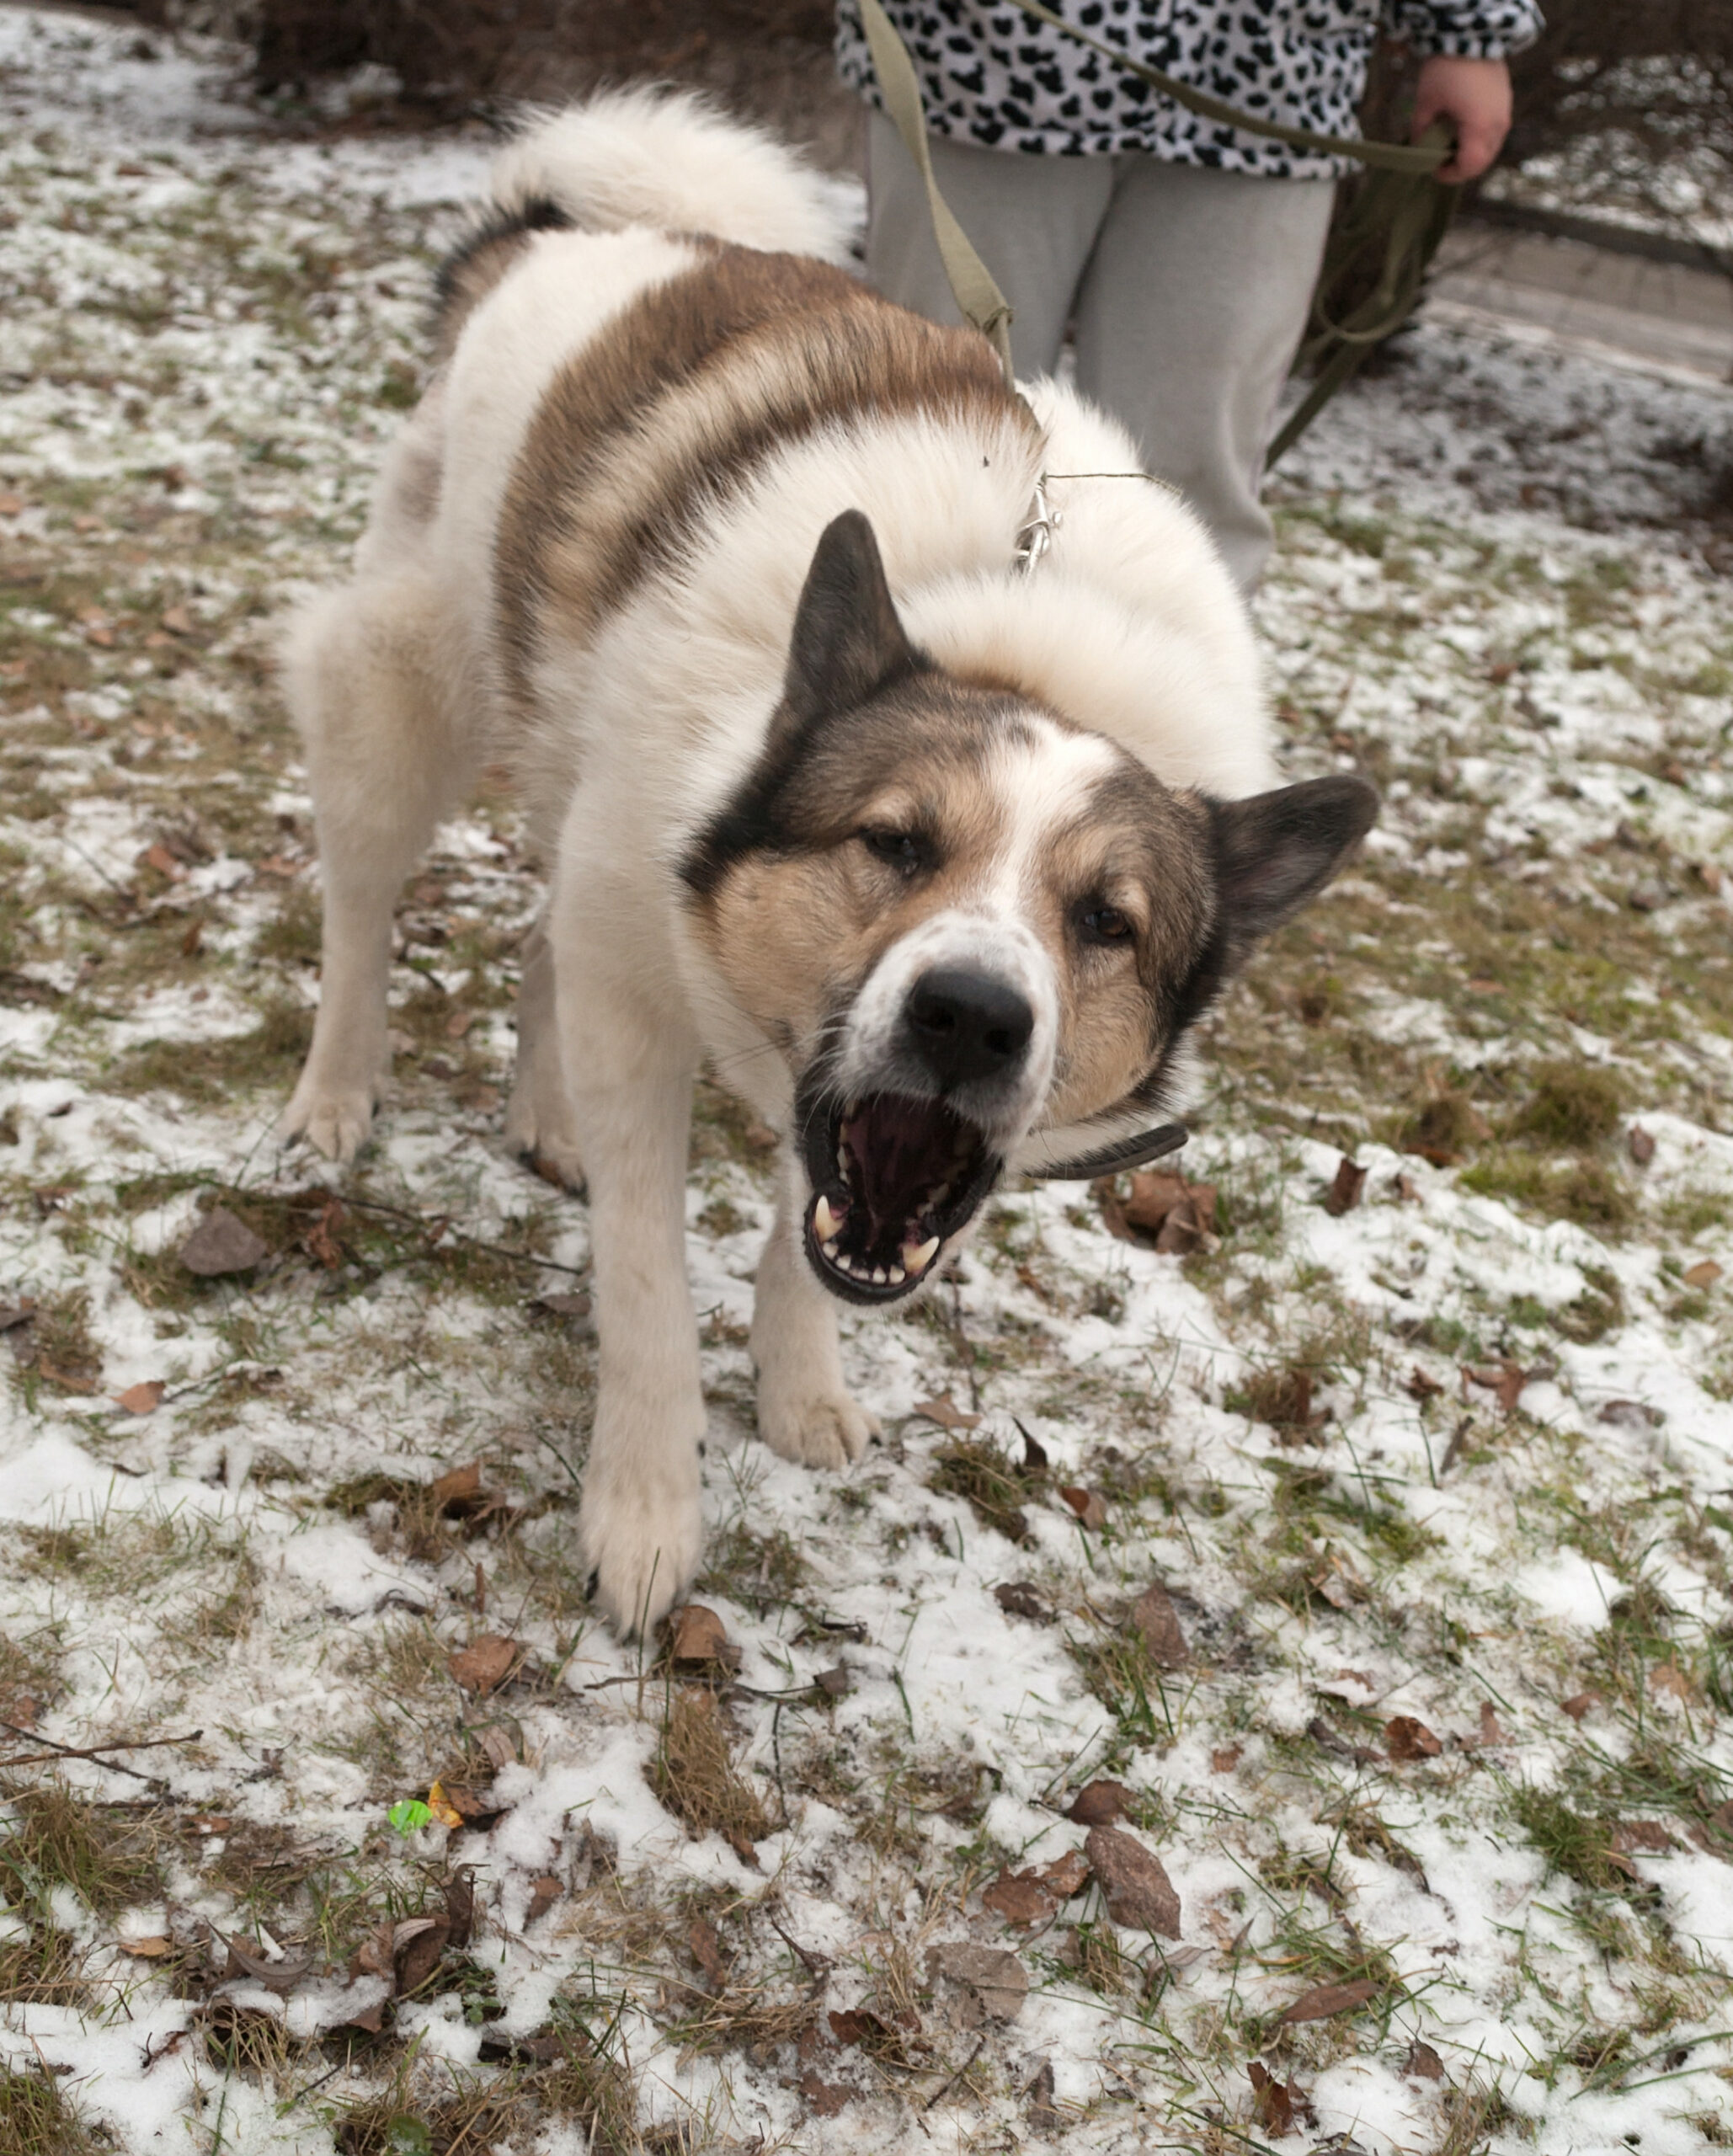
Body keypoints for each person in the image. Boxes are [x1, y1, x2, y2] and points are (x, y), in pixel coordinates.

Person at [836, 0, 1543, 593]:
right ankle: (885, 734)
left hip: (1268, 73)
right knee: (940, 451)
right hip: (984, 60)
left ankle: (1176, 748)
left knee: (1187, 495)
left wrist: (1468, 33)